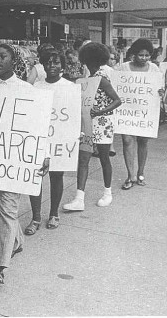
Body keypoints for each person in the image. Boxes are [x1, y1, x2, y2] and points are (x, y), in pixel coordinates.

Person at [0, 44, 49, 283]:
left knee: (8, 210)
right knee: (6, 212)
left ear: (13, 61)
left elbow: (37, 126)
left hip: (14, 161)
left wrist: (43, 153)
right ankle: (17, 241)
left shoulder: (26, 89)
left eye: (2, 57)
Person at [63, 42, 122, 211]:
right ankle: (79, 198)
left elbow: (117, 100)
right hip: (87, 122)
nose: (88, 65)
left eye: (90, 62)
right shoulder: (86, 80)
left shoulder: (102, 79)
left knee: (104, 157)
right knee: (83, 158)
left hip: (103, 123)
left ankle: (107, 193)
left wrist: (100, 111)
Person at [29, 49, 72, 232]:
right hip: (40, 137)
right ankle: (36, 217)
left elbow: (74, 115)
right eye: (48, 62)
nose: (52, 66)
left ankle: (54, 213)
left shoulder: (69, 87)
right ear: (43, 64)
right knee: (36, 177)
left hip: (60, 138)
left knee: (56, 176)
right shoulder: (36, 87)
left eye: (56, 62)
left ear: (62, 65)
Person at [116, 39, 162, 190]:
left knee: (143, 141)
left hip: (145, 113)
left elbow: (159, 87)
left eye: (147, 55)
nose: (144, 58)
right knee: (127, 141)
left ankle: (141, 172)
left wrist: (160, 91)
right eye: (141, 55)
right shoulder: (123, 68)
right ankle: (131, 175)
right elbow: (116, 85)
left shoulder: (154, 69)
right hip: (127, 112)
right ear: (134, 54)